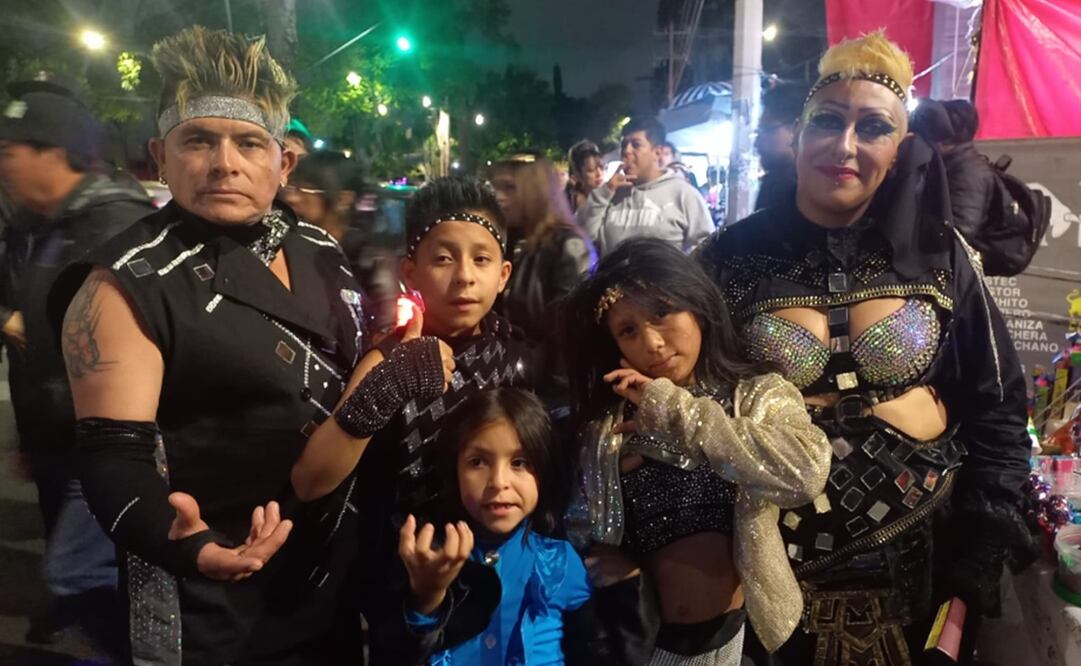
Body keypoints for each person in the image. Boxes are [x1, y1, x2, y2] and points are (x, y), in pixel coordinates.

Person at [695, 32, 1034, 665]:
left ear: (901, 150)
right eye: (827, 120)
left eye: (873, 127)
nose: (844, 145)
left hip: (923, 570)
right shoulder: (726, 258)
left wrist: (976, 562)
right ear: (797, 135)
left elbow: (998, 407)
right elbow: (683, 404)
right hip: (768, 573)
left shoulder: (942, 253)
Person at [48, 26, 374, 664]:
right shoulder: (124, 283)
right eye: (199, 140)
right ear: (158, 157)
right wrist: (187, 544)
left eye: (250, 142)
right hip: (212, 605)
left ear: (284, 163)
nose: (225, 163)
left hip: (330, 583)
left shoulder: (319, 247)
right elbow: (113, 460)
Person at [290, 175, 534, 664]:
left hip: (505, 579)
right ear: (411, 272)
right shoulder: (390, 357)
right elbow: (310, 481)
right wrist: (391, 384)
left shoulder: (519, 358)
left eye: (481, 259)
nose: (464, 275)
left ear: (504, 274)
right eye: (443, 258)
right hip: (408, 582)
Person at [563, 238, 831, 665]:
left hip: (735, 643)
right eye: (628, 330)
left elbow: (805, 472)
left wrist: (674, 411)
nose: (652, 342)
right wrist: (613, 568)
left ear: (698, 305)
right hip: (637, 644)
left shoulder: (757, 396)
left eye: (662, 312)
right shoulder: (606, 427)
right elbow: (579, 531)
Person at [0, 76, 155, 657]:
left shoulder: (109, 226)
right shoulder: (43, 228)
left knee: (76, 572)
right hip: (67, 443)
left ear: (53, 152)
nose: (5, 166)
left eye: (12, 152)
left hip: (107, 443)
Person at [396, 387, 594, 663]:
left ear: (544, 471)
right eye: (477, 462)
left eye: (520, 462)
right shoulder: (433, 558)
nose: (499, 482)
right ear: (454, 472)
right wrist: (428, 593)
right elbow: (409, 648)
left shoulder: (559, 563)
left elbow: (593, 647)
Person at [489, 152, 595, 405]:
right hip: (508, 385)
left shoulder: (568, 247)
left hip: (545, 400)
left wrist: (550, 404)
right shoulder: (507, 243)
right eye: (495, 187)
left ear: (534, 190)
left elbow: (569, 340)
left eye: (509, 187)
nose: (498, 196)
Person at [281, 150, 397, 330]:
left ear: (344, 199)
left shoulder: (369, 261)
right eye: (291, 188)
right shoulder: (287, 248)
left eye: (305, 190)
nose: (292, 198)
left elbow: (388, 332)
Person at [577, 117, 713, 256]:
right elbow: (585, 238)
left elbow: (706, 248)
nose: (627, 151)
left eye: (636, 145)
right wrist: (604, 193)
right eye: (624, 145)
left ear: (657, 153)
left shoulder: (683, 194)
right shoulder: (612, 194)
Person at [753, 81, 808, 211]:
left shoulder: (791, 189)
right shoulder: (777, 182)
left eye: (767, 130)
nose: (756, 143)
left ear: (797, 130)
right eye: (758, 132)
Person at [566, 140, 605, 213]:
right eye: (591, 170)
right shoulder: (570, 207)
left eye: (601, 167)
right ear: (576, 176)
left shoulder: (611, 195)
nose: (599, 174)